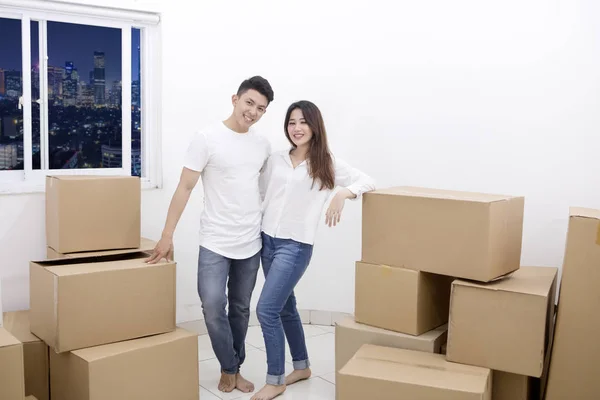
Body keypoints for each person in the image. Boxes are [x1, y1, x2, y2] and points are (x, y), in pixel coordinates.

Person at [145, 76, 274, 394]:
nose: (253, 112)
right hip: (215, 240)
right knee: (213, 304)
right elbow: (185, 187)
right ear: (235, 99)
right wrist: (167, 236)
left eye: (261, 108)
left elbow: (265, 191)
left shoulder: (262, 145)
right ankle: (230, 365)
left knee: (241, 308)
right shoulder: (207, 138)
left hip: (250, 242)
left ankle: (232, 368)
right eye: (249, 103)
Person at [251, 100, 376, 400]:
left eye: (303, 122)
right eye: (292, 122)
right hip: (267, 241)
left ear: (314, 126)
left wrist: (343, 194)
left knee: (266, 309)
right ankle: (302, 366)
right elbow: (261, 194)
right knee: (285, 307)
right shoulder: (276, 159)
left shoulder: (326, 162)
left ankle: (275, 379)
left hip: (295, 246)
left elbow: (368, 181)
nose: (297, 128)